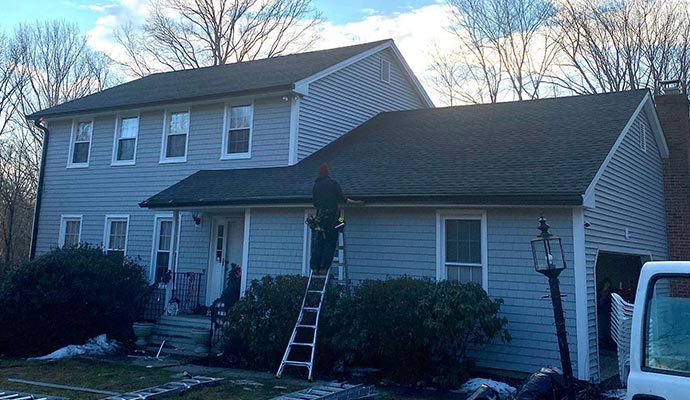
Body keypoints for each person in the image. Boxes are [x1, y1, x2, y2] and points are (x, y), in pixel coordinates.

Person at [309, 163, 361, 275]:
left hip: (319, 219)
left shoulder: (316, 186)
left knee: (319, 243)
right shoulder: (333, 183)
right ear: (327, 173)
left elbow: (314, 203)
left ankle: (314, 267)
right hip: (332, 218)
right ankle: (323, 268)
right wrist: (356, 203)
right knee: (330, 241)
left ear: (319, 173)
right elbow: (343, 199)